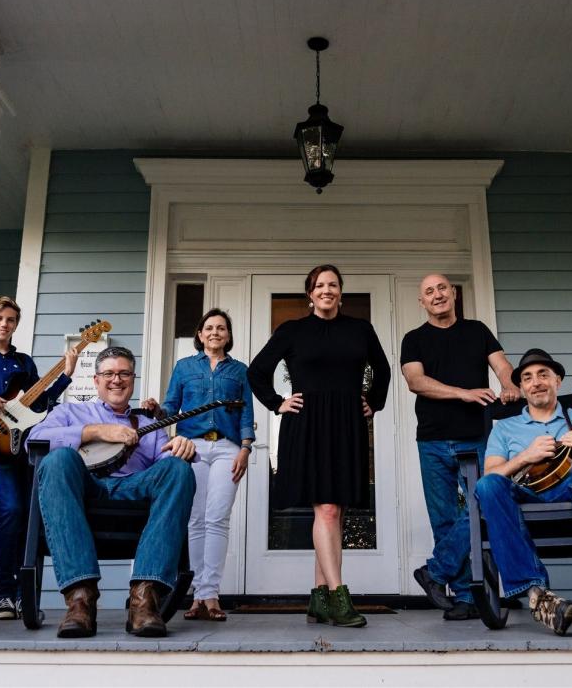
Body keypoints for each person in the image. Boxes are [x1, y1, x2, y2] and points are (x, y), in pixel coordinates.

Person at [247, 264, 390, 628]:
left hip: (346, 424)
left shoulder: (361, 329)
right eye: (319, 285)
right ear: (310, 294)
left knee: (335, 512)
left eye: (333, 285)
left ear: (341, 292)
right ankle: (340, 597)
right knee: (326, 509)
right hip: (307, 424)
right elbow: (256, 371)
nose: (327, 290)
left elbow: (383, 370)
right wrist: (276, 401)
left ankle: (319, 596)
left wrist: (372, 399)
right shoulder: (292, 331)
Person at [28, 346, 196, 638]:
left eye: (124, 373)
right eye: (108, 373)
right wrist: (92, 432)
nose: (116, 380)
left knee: (179, 469)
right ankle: (80, 599)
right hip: (85, 489)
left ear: (132, 379)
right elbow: (35, 439)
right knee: (58, 459)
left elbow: (166, 469)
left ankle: (144, 599)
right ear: (96, 380)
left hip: (134, 489)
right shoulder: (70, 411)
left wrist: (183, 448)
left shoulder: (148, 424)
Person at [474, 349, 572, 637]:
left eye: (544, 374)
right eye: (528, 378)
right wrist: (524, 457)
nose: (536, 382)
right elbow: (490, 474)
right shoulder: (505, 428)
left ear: (557, 380)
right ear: (521, 388)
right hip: (524, 495)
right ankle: (538, 597)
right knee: (488, 486)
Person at [400, 273, 518, 620]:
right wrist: (464, 393)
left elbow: (502, 366)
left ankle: (435, 573)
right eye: (428, 292)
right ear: (421, 302)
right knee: (445, 519)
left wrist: (508, 383)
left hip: (477, 437)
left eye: (442, 288)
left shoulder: (477, 330)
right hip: (433, 440)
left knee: (483, 506)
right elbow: (415, 381)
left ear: (453, 294)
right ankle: (467, 596)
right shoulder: (414, 339)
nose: (437, 295)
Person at [0, 296, 77, 621]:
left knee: (31, 517)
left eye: (10, 320)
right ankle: (3, 595)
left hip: (27, 446)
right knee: (11, 511)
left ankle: (26, 598)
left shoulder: (24, 363)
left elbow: (41, 402)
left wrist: (65, 375)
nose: (3, 324)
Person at [161, 308, 255, 622]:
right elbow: (170, 406)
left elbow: (246, 414)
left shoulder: (239, 371)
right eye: (209, 328)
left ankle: (211, 595)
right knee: (195, 519)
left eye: (221, 328)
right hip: (192, 447)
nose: (215, 332)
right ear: (200, 335)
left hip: (228, 448)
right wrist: (155, 410)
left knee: (218, 519)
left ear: (228, 336)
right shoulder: (184, 367)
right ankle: (197, 596)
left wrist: (245, 448)